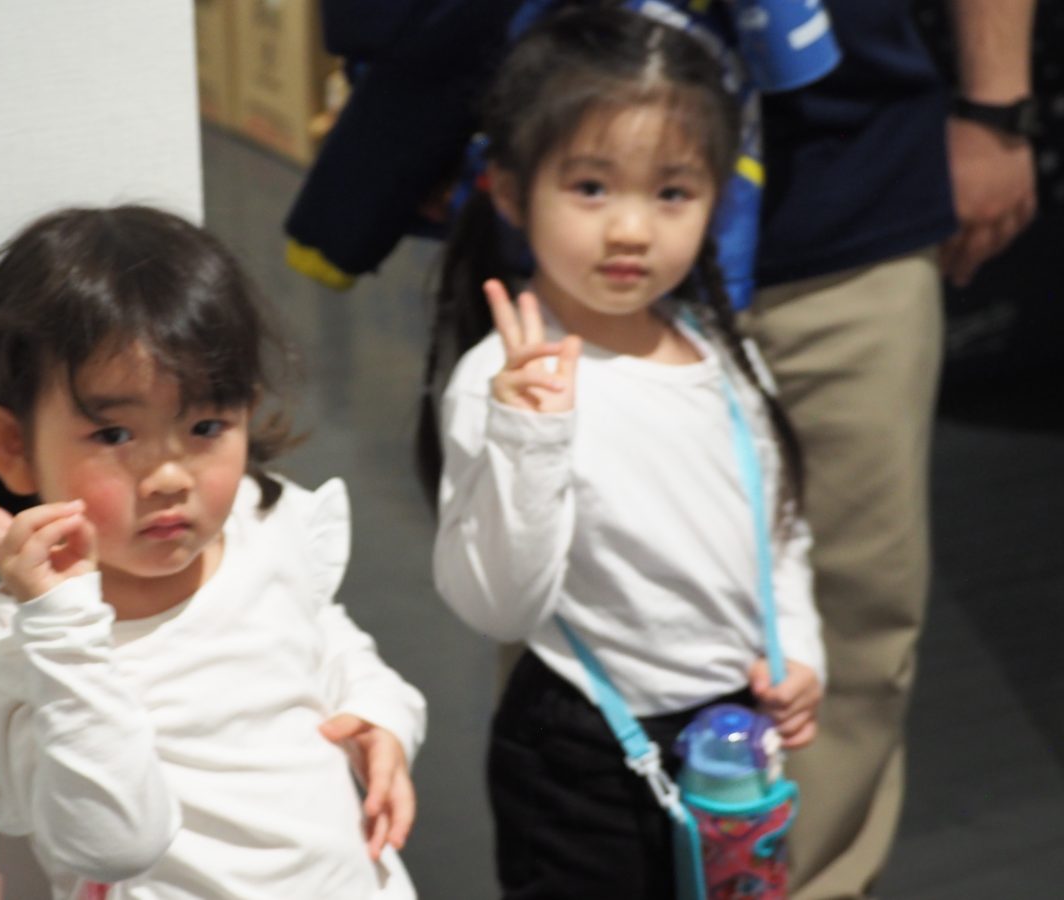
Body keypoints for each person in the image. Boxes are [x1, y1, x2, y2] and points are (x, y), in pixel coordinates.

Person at [418, 10, 825, 898]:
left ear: (718, 198)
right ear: (510, 191)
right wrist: (529, 438)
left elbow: (780, 526)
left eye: (672, 192)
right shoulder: (501, 381)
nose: (632, 229)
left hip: (731, 732)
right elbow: (498, 606)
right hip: (582, 753)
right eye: (592, 187)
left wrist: (797, 646)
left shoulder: (723, 356)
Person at [0, 205, 427, 899]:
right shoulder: (27, 650)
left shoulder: (261, 527)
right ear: (14, 447)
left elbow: (327, 638)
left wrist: (380, 717)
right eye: (114, 435)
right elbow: (113, 845)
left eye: (206, 425)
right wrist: (65, 628)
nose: (169, 477)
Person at [740, 2, 1039, 897]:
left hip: (849, 185)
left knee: (852, 623)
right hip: (577, 185)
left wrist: (996, 109)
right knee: (582, 613)